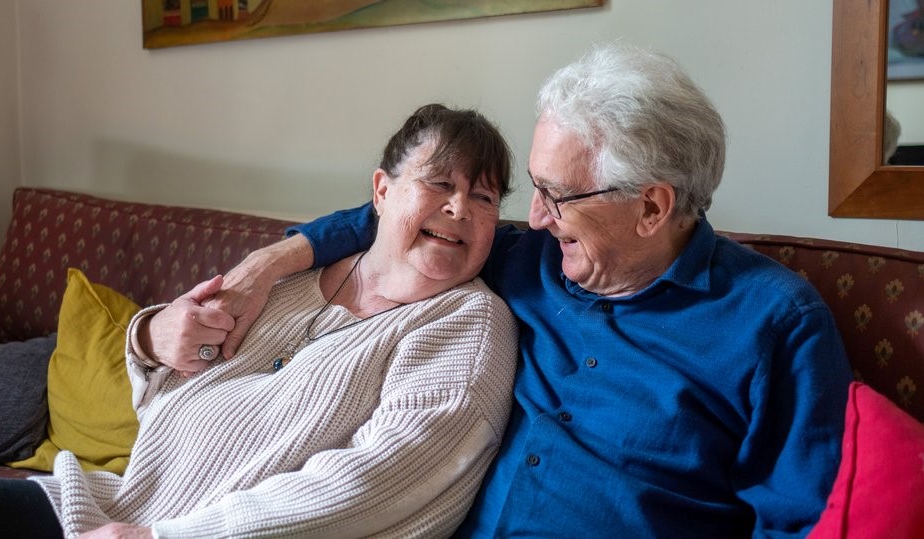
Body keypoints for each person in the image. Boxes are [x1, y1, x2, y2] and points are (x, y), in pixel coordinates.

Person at [168, 42, 855, 537]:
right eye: (535, 187)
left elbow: (798, 520)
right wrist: (267, 262)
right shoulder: (530, 258)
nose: (535, 217)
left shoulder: (776, 324)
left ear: (652, 207)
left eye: (558, 195)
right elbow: (396, 218)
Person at [0, 104, 519, 538]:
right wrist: (149, 342)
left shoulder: (467, 323)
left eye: (485, 198)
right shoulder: (284, 277)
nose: (459, 208)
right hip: (130, 503)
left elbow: (375, 481)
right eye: (439, 183)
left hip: (223, 534)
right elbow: (165, 391)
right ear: (381, 193)